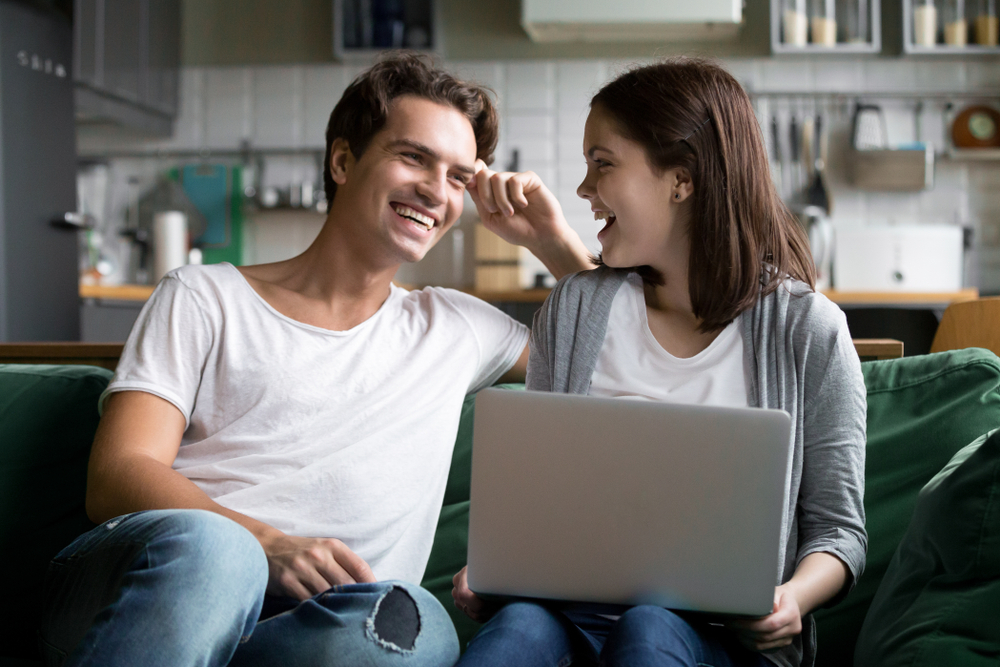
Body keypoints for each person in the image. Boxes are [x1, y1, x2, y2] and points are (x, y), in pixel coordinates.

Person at [39, 53, 593, 667]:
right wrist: (265, 544)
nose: (436, 191)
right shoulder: (205, 296)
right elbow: (117, 472)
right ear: (343, 160)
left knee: (412, 624)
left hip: (315, 627)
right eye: (413, 157)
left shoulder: (458, 327)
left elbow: (613, 352)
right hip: (156, 583)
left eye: (459, 178)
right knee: (219, 554)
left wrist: (552, 240)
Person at [451, 58, 867, 667]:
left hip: (719, 641)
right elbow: (541, 500)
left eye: (603, 163)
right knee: (516, 632)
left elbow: (839, 531)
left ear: (682, 179)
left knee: (649, 628)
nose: (583, 189)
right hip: (567, 619)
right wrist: (499, 566)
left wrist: (791, 600)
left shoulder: (809, 330)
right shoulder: (574, 308)